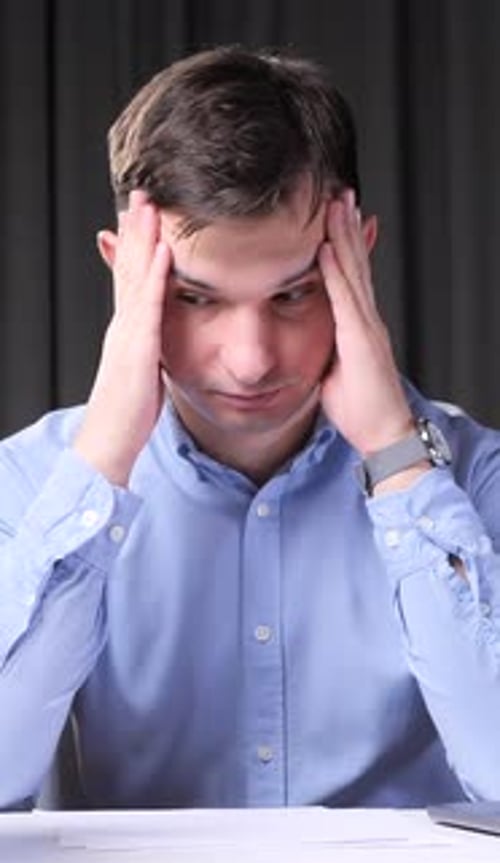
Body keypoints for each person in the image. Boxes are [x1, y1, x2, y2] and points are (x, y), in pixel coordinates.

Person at [1, 45, 500, 813]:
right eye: (195, 299)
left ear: (356, 261)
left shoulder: (471, 480)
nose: (249, 361)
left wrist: (399, 462)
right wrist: (103, 458)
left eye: (294, 295)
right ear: (125, 274)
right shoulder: (30, 487)